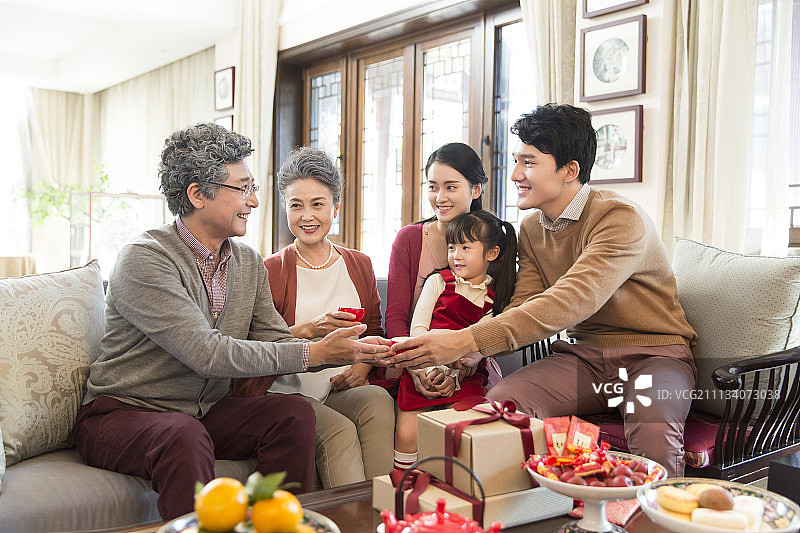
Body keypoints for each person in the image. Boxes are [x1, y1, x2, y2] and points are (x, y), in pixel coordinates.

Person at [73, 123, 391, 520]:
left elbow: (277, 342)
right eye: (243, 188)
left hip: (201, 411)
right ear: (197, 194)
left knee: (292, 415)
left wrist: (352, 350)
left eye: (253, 187)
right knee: (181, 435)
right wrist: (316, 351)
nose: (255, 201)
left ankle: (276, 526)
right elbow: (206, 354)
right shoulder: (146, 257)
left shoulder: (246, 262)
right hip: (123, 412)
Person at [387, 104, 698, 478]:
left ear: (569, 171)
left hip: (655, 356)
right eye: (517, 160)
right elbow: (524, 304)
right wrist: (468, 355)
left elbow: (572, 300)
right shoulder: (533, 228)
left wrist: (464, 339)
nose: (516, 174)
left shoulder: (619, 218)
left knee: (653, 435)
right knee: (503, 404)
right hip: (584, 359)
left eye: (529, 162)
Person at [233, 146, 394, 488]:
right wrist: (308, 329)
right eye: (296, 205)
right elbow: (253, 347)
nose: (307, 216)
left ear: (335, 207)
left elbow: (375, 330)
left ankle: (384, 514)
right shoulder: (268, 270)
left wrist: (362, 367)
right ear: (284, 208)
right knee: (339, 431)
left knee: (378, 400)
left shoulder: (359, 264)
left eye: (318, 204)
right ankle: (348, 521)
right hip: (288, 393)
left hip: (340, 387)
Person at [393, 210, 517, 471]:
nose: (456, 255)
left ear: (491, 253)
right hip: (422, 369)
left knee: (464, 433)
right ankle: (403, 485)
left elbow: (477, 346)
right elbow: (418, 328)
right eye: (451, 247)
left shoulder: (495, 298)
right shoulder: (438, 281)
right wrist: (428, 370)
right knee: (407, 434)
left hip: (465, 375)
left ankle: (454, 485)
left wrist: (453, 377)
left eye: (465, 247)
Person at [377, 142, 501, 391]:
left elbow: (501, 319)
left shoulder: (494, 242)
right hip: (411, 358)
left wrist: (469, 360)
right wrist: (417, 367)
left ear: (476, 189)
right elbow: (395, 317)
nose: (440, 197)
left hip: (473, 364)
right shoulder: (409, 239)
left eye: (451, 187)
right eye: (433, 187)